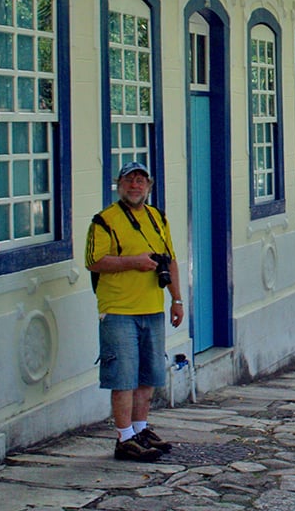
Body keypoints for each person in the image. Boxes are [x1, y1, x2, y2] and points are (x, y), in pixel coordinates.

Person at [85, 161, 184, 462]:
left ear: (149, 187)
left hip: (152, 307)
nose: (135, 186)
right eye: (129, 180)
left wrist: (176, 299)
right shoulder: (104, 221)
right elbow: (94, 262)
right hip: (118, 309)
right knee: (123, 376)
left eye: (141, 180)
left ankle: (141, 429)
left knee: (147, 375)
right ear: (119, 184)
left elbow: (171, 261)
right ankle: (124, 437)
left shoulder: (158, 218)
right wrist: (133, 262)